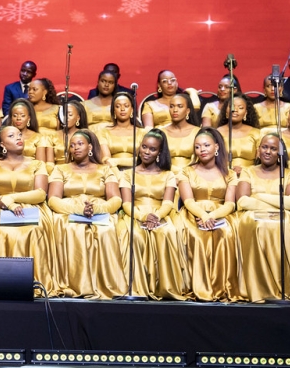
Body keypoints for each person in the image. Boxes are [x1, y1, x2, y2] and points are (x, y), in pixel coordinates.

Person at [0, 125, 59, 294]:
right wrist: (6, 204)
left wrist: (13, 198)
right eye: (12, 135)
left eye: (19, 134)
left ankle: (35, 282)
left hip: (29, 206)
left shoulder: (38, 164)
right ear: (2, 144)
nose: (18, 137)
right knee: (2, 230)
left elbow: (40, 193)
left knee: (33, 229)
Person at [46, 130, 125, 298]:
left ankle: (105, 284)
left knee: (107, 230)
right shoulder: (60, 169)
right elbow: (53, 199)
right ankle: (74, 284)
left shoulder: (105, 170)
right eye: (72, 145)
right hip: (69, 210)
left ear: (90, 147)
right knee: (71, 228)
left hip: (99, 209)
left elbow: (116, 199)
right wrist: (78, 210)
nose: (75, 148)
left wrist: (96, 209)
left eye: (80, 144)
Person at [233, 133, 290, 303]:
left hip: (285, 215)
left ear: (280, 153)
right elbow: (243, 201)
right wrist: (275, 204)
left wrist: (259, 196)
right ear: (258, 150)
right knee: (257, 225)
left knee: (287, 225)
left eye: (273, 148)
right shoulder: (248, 171)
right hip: (253, 215)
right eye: (264, 147)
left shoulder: (288, 174)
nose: (268, 151)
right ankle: (261, 287)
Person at [116, 130, 189, 300]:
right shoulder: (128, 174)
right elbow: (126, 203)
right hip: (135, 214)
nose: (146, 152)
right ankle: (135, 288)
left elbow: (168, 203)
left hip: (161, 214)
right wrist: (142, 217)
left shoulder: (168, 175)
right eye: (144, 147)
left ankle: (164, 288)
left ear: (159, 152)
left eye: (152, 149)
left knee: (167, 232)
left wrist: (156, 216)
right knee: (133, 234)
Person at [177, 128, 241, 302]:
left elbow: (230, 203)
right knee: (196, 236)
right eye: (197, 147)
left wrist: (213, 215)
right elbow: (188, 201)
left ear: (217, 147)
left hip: (220, 214)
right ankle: (198, 287)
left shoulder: (230, 173)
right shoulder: (186, 171)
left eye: (206, 145)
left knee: (226, 234)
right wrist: (203, 216)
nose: (202, 150)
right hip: (193, 213)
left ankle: (220, 287)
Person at [97, 92, 143, 171]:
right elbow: (106, 160)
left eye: (126, 106)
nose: (122, 109)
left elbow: (143, 159)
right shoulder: (103, 132)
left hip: (137, 172)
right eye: (118, 106)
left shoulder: (142, 132)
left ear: (132, 110)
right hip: (112, 172)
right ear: (114, 111)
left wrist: (117, 161)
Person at [217, 96, 262, 173]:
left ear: (246, 113)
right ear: (226, 111)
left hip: (251, 175)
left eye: (240, 108)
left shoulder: (257, 133)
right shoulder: (217, 133)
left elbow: (261, 162)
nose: (235, 110)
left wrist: (245, 171)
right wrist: (229, 170)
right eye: (232, 107)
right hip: (224, 174)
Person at [160, 93, 200, 171]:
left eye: (180, 106)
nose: (175, 110)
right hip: (166, 174)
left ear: (187, 111)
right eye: (171, 106)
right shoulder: (161, 132)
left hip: (191, 174)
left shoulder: (198, 132)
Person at [5, 99, 53, 164]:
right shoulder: (4, 137)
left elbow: (40, 165)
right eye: (15, 115)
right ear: (11, 118)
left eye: (22, 115)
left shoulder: (39, 138)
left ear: (29, 118)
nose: (18, 118)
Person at [27, 79, 62, 148]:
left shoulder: (57, 109)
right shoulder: (26, 109)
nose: (30, 92)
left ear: (44, 92)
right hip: (31, 145)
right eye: (29, 89)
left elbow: (61, 132)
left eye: (34, 89)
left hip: (53, 145)